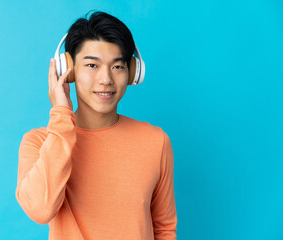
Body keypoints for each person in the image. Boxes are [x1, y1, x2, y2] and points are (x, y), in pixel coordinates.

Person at [15, 10, 177, 239]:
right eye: (92, 65)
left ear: (132, 72)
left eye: (117, 66)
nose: (106, 79)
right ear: (67, 70)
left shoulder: (156, 141)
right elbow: (40, 211)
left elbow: (164, 228)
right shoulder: (39, 143)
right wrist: (61, 114)